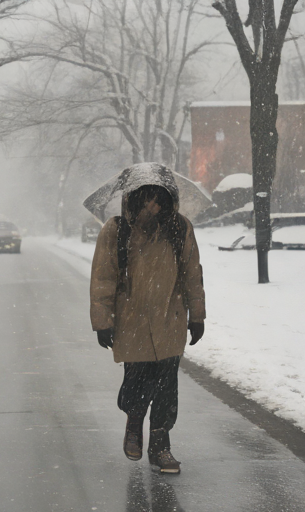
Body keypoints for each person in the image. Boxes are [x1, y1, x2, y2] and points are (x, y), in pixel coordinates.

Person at [89, 165, 205, 474]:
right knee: (137, 382)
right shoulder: (116, 230)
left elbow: (193, 274)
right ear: (133, 199)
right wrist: (102, 322)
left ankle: (160, 446)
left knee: (167, 387)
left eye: (159, 200)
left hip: (171, 320)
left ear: (170, 201)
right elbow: (103, 278)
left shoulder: (180, 228)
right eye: (147, 199)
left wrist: (198, 315)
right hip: (132, 323)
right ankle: (133, 425)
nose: (153, 206)